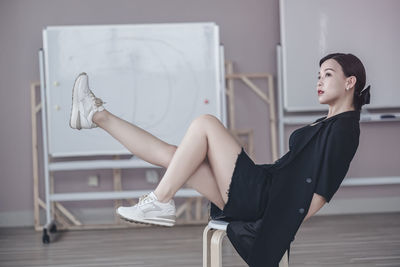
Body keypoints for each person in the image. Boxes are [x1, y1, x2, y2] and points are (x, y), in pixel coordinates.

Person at [69, 52, 371, 265]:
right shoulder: (328, 123)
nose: (319, 80)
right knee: (174, 157)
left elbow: (321, 190)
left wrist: (279, 225)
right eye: (318, 75)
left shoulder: (345, 129)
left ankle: (160, 201)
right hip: (264, 191)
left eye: (328, 75)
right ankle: (96, 115)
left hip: (266, 198)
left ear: (350, 82)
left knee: (205, 124)